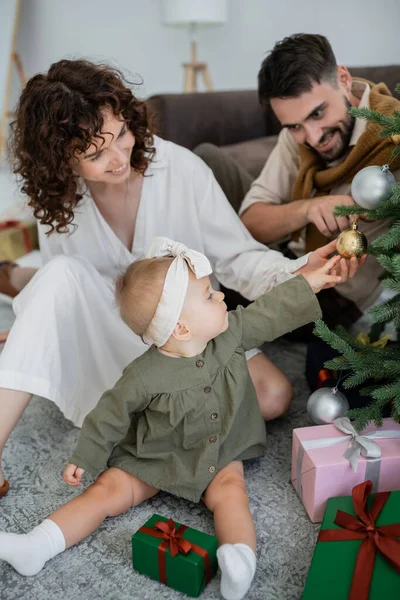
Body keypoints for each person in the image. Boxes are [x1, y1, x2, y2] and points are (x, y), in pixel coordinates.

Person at [0, 59, 360, 499]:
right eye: (95, 154)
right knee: (55, 275)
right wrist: (35, 327)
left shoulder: (180, 168)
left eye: (121, 136)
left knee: (272, 396)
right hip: (117, 335)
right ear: (62, 161)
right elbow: (71, 289)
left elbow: (236, 256)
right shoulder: (57, 202)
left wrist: (296, 272)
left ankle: (14, 279)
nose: (117, 159)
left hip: (189, 335)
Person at [0, 236, 342, 600]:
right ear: (181, 328)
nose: (222, 297)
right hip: (157, 455)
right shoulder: (143, 375)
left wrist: (310, 281)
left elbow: (272, 310)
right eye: (210, 295)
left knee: (231, 493)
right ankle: (38, 544)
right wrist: (85, 456)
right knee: (107, 490)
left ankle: (240, 558)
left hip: (220, 449)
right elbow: (109, 414)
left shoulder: (233, 333)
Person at [194, 33, 399, 332]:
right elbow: (250, 223)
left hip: (331, 297)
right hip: (286, 255)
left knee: (209, 294)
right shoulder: (298, 138)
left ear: (343, 78)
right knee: (207, 158)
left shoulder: (391, 139)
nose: (314, 138)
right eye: (295, 126)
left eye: (318, 113)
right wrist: (308, 208)